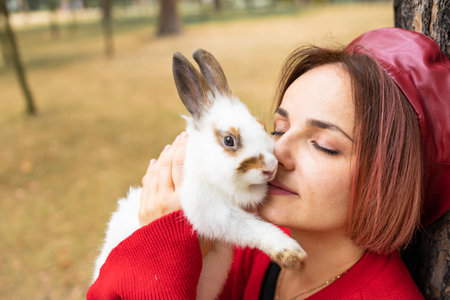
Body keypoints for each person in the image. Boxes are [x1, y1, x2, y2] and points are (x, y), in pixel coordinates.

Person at [87, 28, 450, 299]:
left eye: (323, 145)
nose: (277, 153)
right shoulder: (254, 249)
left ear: (388, 180)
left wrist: (158, 255)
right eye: (279, 128)